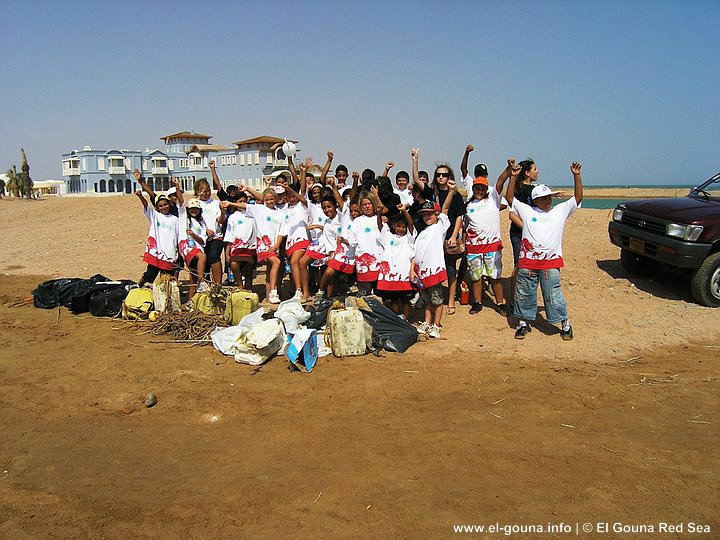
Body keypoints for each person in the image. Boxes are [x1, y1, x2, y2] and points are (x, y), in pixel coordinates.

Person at [505, 161, 584, 340]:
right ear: (535, 200)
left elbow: (577, 198)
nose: (547, 200)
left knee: (553, 295)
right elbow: (510, 198)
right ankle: (523, 324)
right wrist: (514, 177)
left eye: (549, 197)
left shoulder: (559, 211)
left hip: (550, 263)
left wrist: (576, 175)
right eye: (543, 198)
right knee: (524, 294)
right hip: (528, 263)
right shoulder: (527, 211)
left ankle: (565, 324)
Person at [417, 149, 465, 315]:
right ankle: (431, 298)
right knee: (434, 267)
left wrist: (453, 236)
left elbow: (459, 217)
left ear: (449, 176)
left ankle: (450, 299)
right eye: (438, 175)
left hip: (449, 235)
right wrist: (415, 160)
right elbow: (417, 180)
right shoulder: (432, 193)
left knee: (451, 270)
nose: (441, 177)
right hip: (435, 236)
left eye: (444, 175)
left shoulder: (457, 195)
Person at [221, 186, 283, 303]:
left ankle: (269, 296)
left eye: (271, 199)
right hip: (262, 246)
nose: (269, 201)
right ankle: (274, 292)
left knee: (270, 270)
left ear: (276, 199)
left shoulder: (280, 214)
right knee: (276, 262)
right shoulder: (259, 209)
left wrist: (276, 246)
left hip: (274, 246)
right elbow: (244, 206)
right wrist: (230, 203)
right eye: (267, 200)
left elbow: (281, 232)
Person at [414, 180, 456, 338]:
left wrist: (451, 192)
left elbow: (445, 207)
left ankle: (437, 325)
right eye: (424, 214)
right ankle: (427, 322)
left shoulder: (440, 227)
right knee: (426, 299)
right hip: (422, 272)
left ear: (437, 214)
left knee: (437, 299)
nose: (426, 217)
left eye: (430, 213)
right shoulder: (422, 233)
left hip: (435, 270)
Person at [463, 172, 508, 316]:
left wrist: (508, 170)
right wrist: (464, 244)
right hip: (473, 247)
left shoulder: (493, 200)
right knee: (476, 277)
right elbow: (465, 227)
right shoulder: (468, 205)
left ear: (487, 190)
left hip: (492, 247)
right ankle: (477, 303)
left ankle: (500, 303)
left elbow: (500, 182)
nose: (480, 192)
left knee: (494, 277)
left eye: (483, 189)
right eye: (477, 189)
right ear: (473, 189)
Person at [135, 188, 179, 288]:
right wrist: (140, 196)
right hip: (157, 252)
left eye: (165, 204)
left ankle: (166, 294)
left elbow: (177, 236)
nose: (164, 207)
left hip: (169, 253)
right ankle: (138, 286)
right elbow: (146, 205)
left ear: (169, 204)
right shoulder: (155, 216)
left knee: (167, 276)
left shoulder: (175, 220)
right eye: (161, 206)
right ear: (157, 207)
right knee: (150, 273)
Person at [377, 205, 415, 319]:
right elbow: (379, 226)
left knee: (405, 300)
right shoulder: (388, 237)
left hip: (404, 275)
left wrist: (404, 211)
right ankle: (396, 321)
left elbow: (411, 225)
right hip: (390, 276)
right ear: (393, 225)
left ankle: (406, 321)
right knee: (394, 299)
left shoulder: (409, 239)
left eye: (404, 227)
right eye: (398, 226)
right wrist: (379, 214)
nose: (401, 229)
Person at [345, 190, 383, 294]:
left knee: (380, 296)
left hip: (379, 262)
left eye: (369, 203)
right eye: (364, 204)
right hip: (363, 265)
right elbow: (352, 241)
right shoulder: (357, 221)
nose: (367, 206)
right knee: (364, 296)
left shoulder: (380, 219)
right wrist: (345, 241)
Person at [174, 185, 208, 300]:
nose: (194, 210)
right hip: (187, 246)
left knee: (192, 276)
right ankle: (201, 282)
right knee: (202, 257)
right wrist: (177, 187)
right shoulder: (184, 217)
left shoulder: (202, 223)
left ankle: (190, 301)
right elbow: (181, 201)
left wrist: (194, 235)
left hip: (197, 247)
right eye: (192, 208)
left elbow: (203, 241)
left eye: (196, 209)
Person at [223, 191, 257, 290]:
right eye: (240, 201)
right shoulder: (233, 217)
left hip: (251, 248)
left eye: (244, 201)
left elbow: (260, 200)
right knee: (234, 264)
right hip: (237, 248)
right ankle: (239, 286)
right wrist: (227, 254)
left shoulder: (253, 214)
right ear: (235, 202)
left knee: (248, 270)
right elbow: (229, 236)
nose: (242, 203)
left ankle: (248, 289)